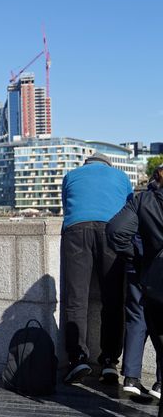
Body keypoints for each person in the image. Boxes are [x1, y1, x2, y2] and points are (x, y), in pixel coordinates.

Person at [61, 153, 132, 384]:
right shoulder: (121, 176)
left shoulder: (71, 175)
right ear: (107, 165)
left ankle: (77, 358)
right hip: (112, 231)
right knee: (113, 299)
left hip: (76, 230)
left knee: (76, 299)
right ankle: (109, 362)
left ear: (86, 165)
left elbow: (66, 207)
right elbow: (129, 211)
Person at [107, 168, 163, 416]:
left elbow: (116, 231)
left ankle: (131, 376)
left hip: (152, 278)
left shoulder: (142, 200)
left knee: (138, 320)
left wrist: (140, 260)